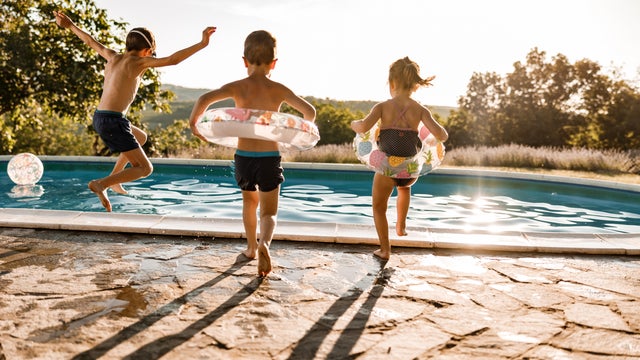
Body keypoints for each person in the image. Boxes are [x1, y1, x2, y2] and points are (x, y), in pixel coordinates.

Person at [54, 11, 216, 212]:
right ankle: (101, 184)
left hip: (101, 117)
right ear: (147, 50)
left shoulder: (112, 56)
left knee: (140, 137)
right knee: (145, 169)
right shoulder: (139, 62)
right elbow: (173, 59)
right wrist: (202, 44)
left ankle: (114, 180)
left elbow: (90, 41)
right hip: (113, 121)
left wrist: (69, 25)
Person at [189, 30, 315, 277]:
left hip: (244, 157)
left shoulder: (238, 87)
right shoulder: (279, 89)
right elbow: (308, 112)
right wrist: (292, 135)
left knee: (249, 203)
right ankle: (264, 244)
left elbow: (205, 98)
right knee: (269, 212)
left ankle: (249, 248)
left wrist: (195, 124)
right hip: (270, 157)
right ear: (274, 63)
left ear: (244, 60)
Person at [351, 57, 448, 260]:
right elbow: (443, 135)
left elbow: (363, 127)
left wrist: (354, 123)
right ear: (415, 86)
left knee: (378, 208)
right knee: (404, 188)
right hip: (410, 169)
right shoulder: (421, 110)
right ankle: (401, 224)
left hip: (387, 167)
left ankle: (385, 250)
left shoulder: (382, 107)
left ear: (392, 83)